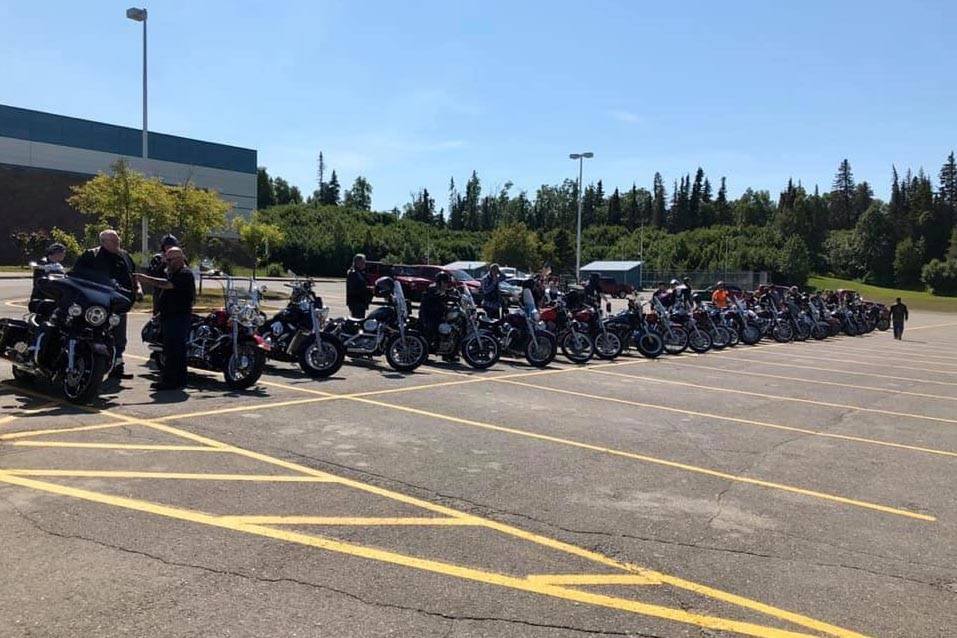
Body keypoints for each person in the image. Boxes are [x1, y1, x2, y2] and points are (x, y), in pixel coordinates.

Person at [73, 230, 138, 378]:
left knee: (118, 336)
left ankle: (118, 366)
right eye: (114, 242)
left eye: (118, 241)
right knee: (94, 334)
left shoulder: (125, 256)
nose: (117, 244)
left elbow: (132, 276)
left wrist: (137, 289)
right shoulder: (91, 255)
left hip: (118, 303)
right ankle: (90, 367)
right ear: (103, 242)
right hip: (95, 303)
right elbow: (77, 275)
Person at [134, 247, 195, 390]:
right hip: (170, 317)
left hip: (178, 318)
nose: (167, 263)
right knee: (170, 350)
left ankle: (171, 381)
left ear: (180, 259)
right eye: (166, 259)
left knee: (174, 351)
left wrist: (146, 279)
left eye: (169, 260)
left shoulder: (184, 273)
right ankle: (176, 380)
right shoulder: (174, 273)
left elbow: (166, 285)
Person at [418, 271, 457, 361]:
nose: (447, 284)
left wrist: (457, 295)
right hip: (429, 316)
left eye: (447, 282)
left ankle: (449, 353)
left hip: (437, 314)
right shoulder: (432, 289)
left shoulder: (440, 288)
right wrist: (450, 298)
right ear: (440, 281)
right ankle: (425, 352)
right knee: (433, 330)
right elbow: (439, 297)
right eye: (445, 282)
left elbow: (446, 294)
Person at [29, 243, 67, 313]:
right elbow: (36, 267)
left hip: (53, 296)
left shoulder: (58, 265)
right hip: (41, 297)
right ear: (56, 253)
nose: (64, 255)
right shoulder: (43, 262)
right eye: (63, 253)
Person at [147, 234, 179, 312]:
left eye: (171, 246)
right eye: (167, 246)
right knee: (158, 314)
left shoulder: (180, 259)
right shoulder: (157, 258)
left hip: (175, 291)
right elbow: (152, 273)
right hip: (160, 291)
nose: (169, 249)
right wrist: (162, 263)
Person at [346, 253, 371, 318]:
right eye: (363, 262)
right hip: (356, 302)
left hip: (360, 302)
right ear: (358, 262)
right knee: (357, 320)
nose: (364, 264)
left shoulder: (360, 273)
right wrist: (368, 288)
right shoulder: (353, 273)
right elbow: (355, 288)